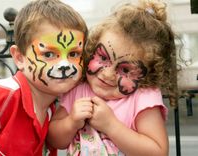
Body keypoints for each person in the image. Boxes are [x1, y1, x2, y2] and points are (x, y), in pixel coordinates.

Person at [47, 0, 177, 155]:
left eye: (126, 69)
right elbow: (53, 140)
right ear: (91, 50)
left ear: (148, 74)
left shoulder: (143, 98)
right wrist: (71, 122)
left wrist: (111, 125)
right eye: (103, 58)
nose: (108, 74)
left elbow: (158, 152)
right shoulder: (78, 90)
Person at [0, 0, 88, 155]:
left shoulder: (54, 112)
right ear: (19, 58)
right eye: (48, 54)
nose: (64, 64)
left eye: (73, 54)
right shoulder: (0, 96)